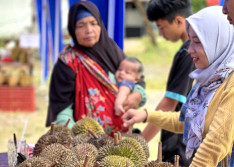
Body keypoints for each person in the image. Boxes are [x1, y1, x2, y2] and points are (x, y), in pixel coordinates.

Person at [122, 6, 234, 167]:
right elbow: (186, 122)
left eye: (197, 42)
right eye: (190, 41)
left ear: (218, 42)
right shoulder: (206, 83)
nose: (189, 50)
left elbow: (215, 144)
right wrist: (146, 115)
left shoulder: (230, 85)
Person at [46, 1, 146, 135]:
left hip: (121, 139)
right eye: (81, 25)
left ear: (100, 25)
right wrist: (72, 137)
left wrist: (137, 95)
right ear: (72, 29)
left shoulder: (111, 50)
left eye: (93, 23)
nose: (89, 30)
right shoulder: (67, 62)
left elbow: (136, 78)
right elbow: (62, 108)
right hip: (85, 143)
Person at [141, 0, 195, 165]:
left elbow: (169, 104)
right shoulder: (189, 49)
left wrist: (140, 143)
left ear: (179, 21)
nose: (160, 33)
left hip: (182, 146)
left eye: (161, 27)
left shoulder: (189, 51)